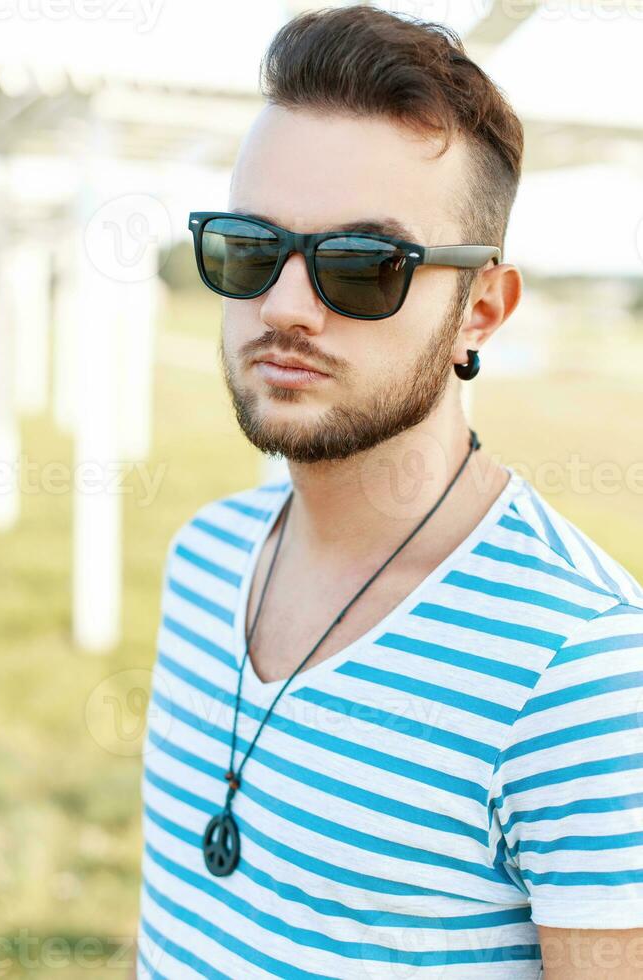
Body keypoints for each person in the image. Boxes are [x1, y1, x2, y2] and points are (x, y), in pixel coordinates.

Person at [136, 6, 643, 977]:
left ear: (480, 309)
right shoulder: (204, 555)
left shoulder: (585, 674)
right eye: (248, 246)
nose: (285, 306)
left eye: (363, 266)